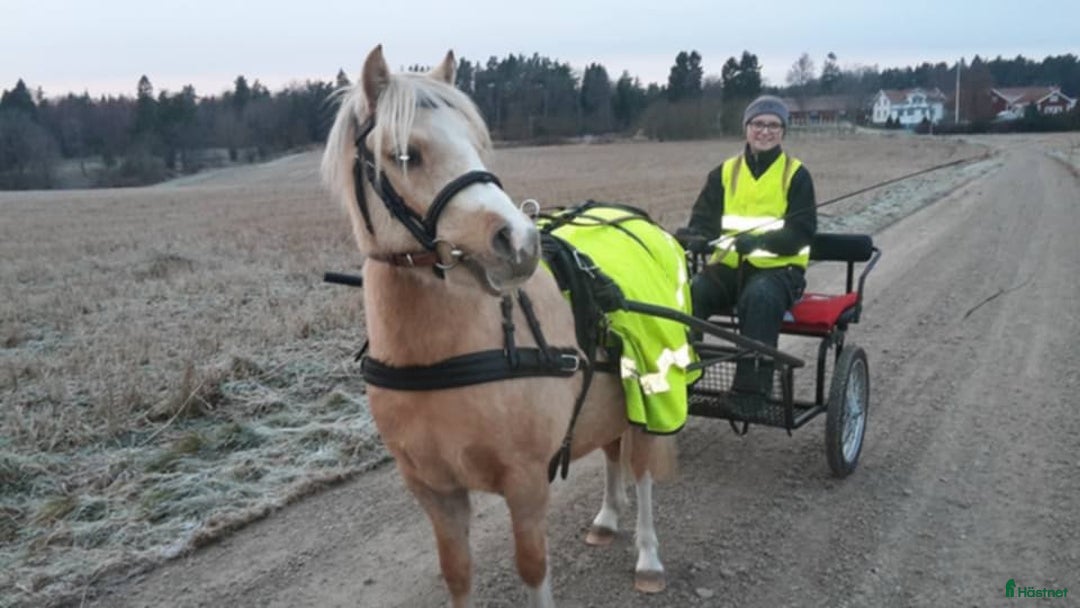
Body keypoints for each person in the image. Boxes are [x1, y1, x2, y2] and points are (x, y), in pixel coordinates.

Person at [676, 95, 816, 409]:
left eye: (773, 125)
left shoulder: (796, 175)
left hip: (780, 272)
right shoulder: (723, 173)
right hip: (727, 269)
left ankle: (752, 392)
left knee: (760, 298)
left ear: (783, 132)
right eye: (758, 124)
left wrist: (758, 242)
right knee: (689, 296)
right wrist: (696, 237)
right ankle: (684, 375)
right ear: (746, 129)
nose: (765, 131)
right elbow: (702, 222)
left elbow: (802, 233)